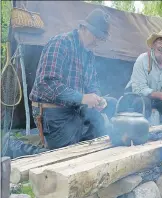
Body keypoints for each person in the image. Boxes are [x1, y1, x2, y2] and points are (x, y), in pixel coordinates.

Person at [2, 9, 117, 158]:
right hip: (51, 110)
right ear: (83, 28)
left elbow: (92, 82)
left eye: (100, 38)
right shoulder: (61, 43)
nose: (97, 41)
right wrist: (81, 98)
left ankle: (73, 138)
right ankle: (12, 145)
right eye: (95, 36)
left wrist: (96, 98)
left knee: (96, 139)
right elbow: (46, 84)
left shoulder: (89, 54)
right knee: (64, 156)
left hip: (74, 109)